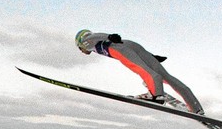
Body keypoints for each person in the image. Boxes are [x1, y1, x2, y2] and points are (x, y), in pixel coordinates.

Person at [75, 29, 203, 114]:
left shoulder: (86, 42)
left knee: (142, 70)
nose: (82, 51)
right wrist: (151, 57)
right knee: (166, 77)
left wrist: (109, 36)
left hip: (118, 48)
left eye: (79, 48)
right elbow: (136, 50)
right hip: (131, 45)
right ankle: (196, 107)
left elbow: (92, 36)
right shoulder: (93, 42)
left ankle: (157, 95)